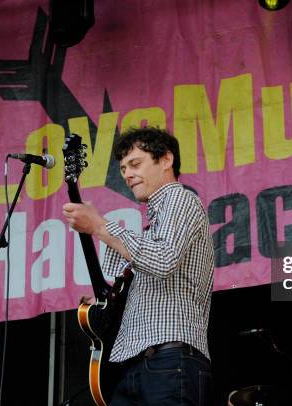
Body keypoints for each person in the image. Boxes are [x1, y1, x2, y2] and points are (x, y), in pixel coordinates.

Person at [62, 127, 214, 405]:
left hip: (169, 358)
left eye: (135, 164)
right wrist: (106, 307)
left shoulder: (180, 199)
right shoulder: (152, 227)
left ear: (166, 160)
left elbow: (162, 259)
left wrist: (98, 224)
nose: (127, 175)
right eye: (122, 168)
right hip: (134, 364)